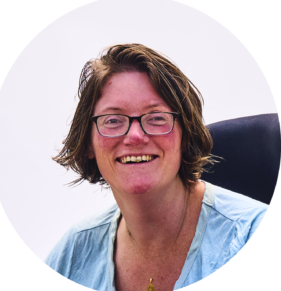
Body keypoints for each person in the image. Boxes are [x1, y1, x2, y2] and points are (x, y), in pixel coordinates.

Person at [44, 44, 269, 290]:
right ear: (88, 143)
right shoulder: (74, 253)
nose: (135, 136)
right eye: (113, 120)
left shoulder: (249, 233)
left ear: (185, 134)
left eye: (156, 118)